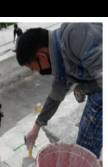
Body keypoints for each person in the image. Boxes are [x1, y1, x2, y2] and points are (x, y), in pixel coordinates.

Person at [17, 24, 103, 159]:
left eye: (35, 69)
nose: (39, 72)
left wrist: (83, 89)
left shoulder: (76, 33)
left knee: (88, 140)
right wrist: (36, 127)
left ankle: (86, 166)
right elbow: (56, 95)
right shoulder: (61, 59)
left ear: (42, 56)